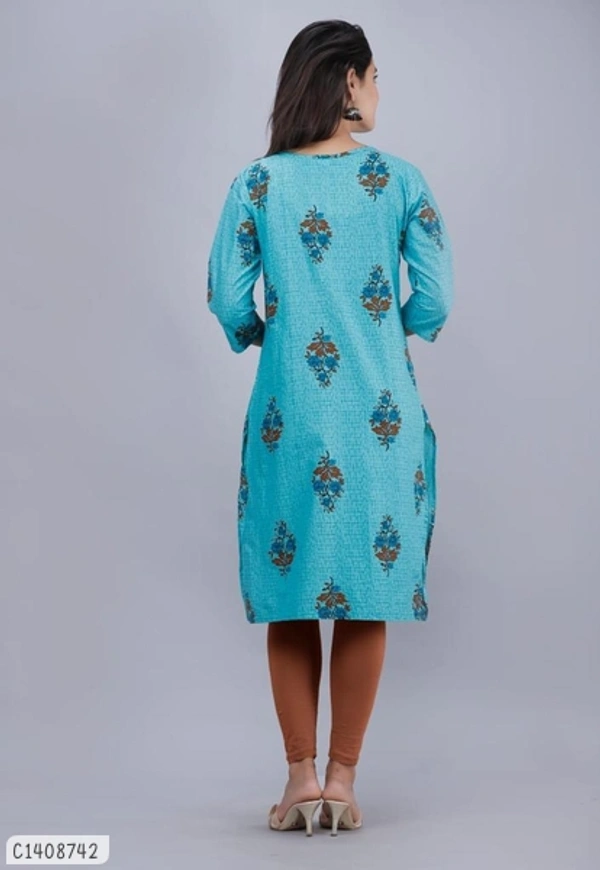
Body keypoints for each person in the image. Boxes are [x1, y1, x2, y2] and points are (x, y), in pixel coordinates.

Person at [206, 19, 454, 836]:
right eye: (374, 76)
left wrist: (262, 334)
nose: (379, 91)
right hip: (380, 414)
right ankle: (343, 783)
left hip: (291, 417)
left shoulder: (257, 184)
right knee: (363, 594)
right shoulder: (400, 181)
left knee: (291, 594)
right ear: (348, 80)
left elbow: (227, 296)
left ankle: (298, 781)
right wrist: (384, 334)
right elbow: (437, 299)